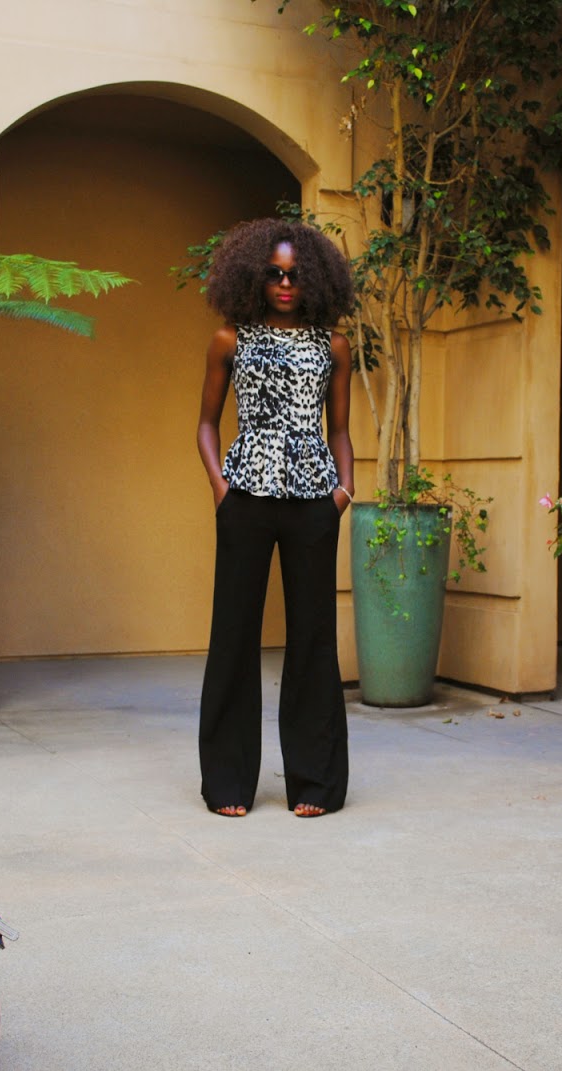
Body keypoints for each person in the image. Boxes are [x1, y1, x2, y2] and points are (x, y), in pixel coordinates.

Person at [195, 218, 357, 818]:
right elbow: (206, 424)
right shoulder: (228, 340)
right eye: (274, 274)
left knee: (313, 639)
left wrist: (344, 490)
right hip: (245, 500)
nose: (285, 285)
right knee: (233, 635)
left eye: (295, 275)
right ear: (254, 278)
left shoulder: (332, 345)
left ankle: (315, 783)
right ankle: (228, 783)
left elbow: (339, 429)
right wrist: (221, 488)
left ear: (313, 278)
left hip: (314, 504)